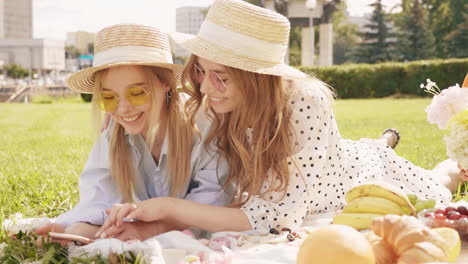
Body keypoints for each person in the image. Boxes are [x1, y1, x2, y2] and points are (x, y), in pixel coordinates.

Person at [97, 0, 452, 235]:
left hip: (355, 176)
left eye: (223, 76)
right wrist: (125, 110)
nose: (207, 88)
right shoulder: (217, 98)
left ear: (259, 77)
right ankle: (383, 142)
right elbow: (173, 103)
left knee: (439, 187)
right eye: (203, 72)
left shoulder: (304, 101)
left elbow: (271, 217)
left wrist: (165, 208)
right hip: (334, 155)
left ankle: (453, 163)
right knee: (369, 147)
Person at [35, 24, 229, 242]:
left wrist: (151, 230)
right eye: (109, 97)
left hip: (195, 226)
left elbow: (212, 202)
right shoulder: (114, 131)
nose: (123, 109)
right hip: (147, 228)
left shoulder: (205, 127)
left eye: (137, 93)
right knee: (77, 232)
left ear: (166, 83)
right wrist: (73, 227)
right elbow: (98, 195)